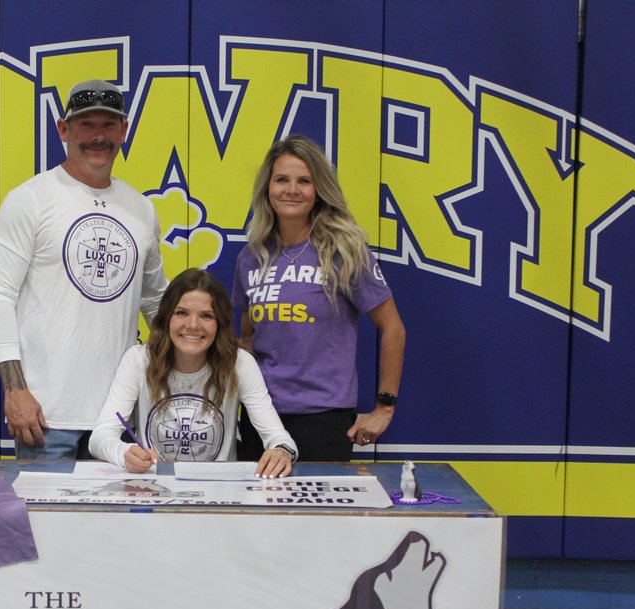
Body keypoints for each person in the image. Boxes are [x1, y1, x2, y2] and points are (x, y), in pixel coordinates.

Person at [0, 79, 167, 460]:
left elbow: (157, 302)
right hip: (47, 418)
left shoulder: (141, 209)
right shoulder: (30, 200)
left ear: (124, 131)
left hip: (118, 419)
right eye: (86, 125)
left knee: (115, 523)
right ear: (64, 130)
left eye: (108, 125)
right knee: (47, 522)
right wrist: (15, 390)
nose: (98, 136)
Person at [233, 135, 406, 462]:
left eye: (304, 181)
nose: (291, 189)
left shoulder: (345, 250)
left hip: (323, 418)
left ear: (319, 190)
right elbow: (249, 338)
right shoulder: (251, 257)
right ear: (267, 189)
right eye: (281, 179)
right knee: (257, 513)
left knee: (315, 514)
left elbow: (394, 329)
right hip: (261, 415)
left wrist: (385, 407)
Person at [90, 269, 296, 478]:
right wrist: (124, 452)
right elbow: (100, 437)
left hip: (219, 497)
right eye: (182, 313)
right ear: (166, 317)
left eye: (206, 316)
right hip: (152, 493)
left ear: (220, 323)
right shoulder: (138, 360)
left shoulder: (239, 363)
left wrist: (281, 451)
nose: (193, 325)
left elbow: (279, 437)